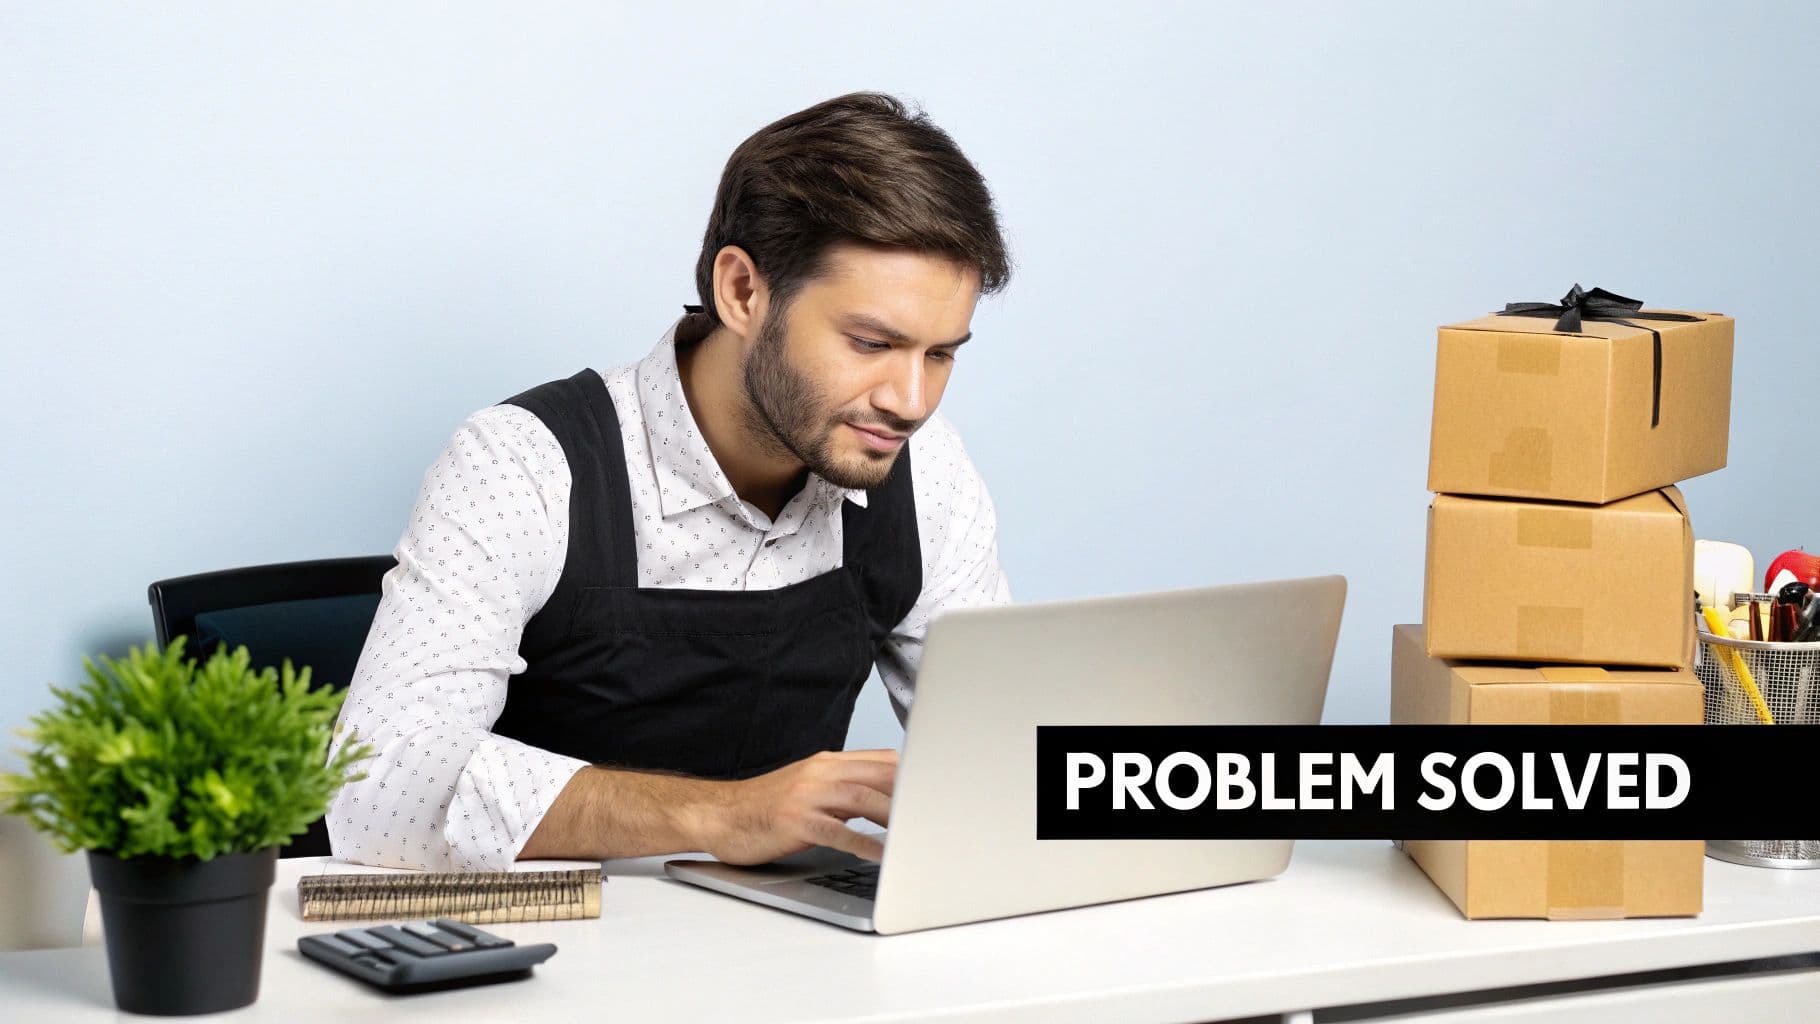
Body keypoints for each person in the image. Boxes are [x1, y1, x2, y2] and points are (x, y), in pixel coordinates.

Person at [327, 92, 1013, 872]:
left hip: (786, 961)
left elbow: (1004, 750)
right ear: (743, 292)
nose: (910, 401)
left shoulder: (926, 473)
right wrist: (723, 813)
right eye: (871, 343)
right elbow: (375, 793)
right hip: (549, 961)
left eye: (940, 355)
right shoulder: (522, 464)